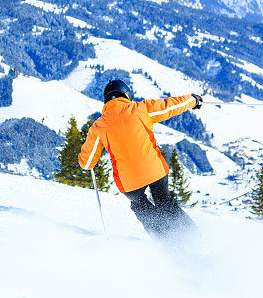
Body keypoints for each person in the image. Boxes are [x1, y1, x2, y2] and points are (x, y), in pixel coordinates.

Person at [78, 79, 202, 239]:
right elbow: (170, 106)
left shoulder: (98, 126)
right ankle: (194, 240)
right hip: (154, 171)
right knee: (165, 202)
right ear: (126, 94)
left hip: (128, 182)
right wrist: (193, 100)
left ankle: (166, 244)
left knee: (141, 206)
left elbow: (87, 163)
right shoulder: (140, 109)